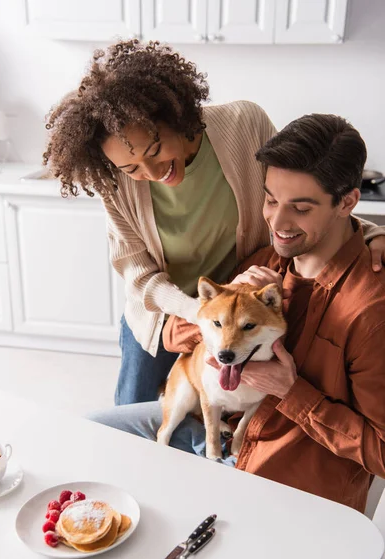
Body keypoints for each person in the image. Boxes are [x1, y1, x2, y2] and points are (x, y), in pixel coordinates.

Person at [44, 39, 385, 407]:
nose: (152, 173)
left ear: (176, 118)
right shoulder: (114, 184)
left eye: (155, 151)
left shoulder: (243, 125)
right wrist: (189, 316)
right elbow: (138, 272)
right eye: (131, 168)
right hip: (167, 318)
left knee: (220, 415)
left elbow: (296, 190)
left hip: (238, 318)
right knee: (134, 416)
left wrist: (370, 232)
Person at [89, 113, 385, 513]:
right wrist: (194, 327)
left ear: (348, 201)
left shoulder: (371, 313)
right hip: (222, 429)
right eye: (270, 199)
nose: (277, 223)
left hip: (276, 473)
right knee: (92, 435)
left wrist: (292, 392)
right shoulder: (266, 262)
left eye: (300, 208)